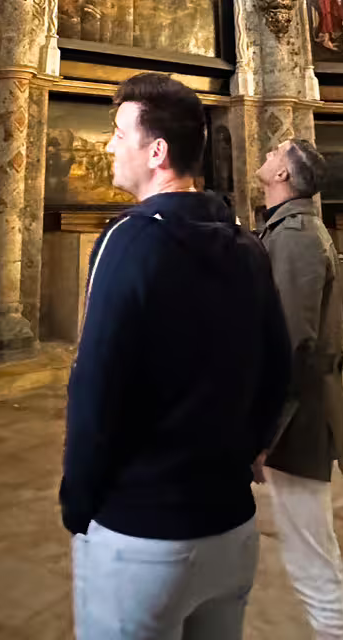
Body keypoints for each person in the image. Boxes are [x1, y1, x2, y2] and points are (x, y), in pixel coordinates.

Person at [62, 72, 292, 640]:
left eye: (119, 133)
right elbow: (279, 370)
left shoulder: (130, 240)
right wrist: (244, 455)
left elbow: (95, 386)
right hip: (232, 527)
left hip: (144, 533)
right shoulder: (245, 244)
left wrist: (79, 502)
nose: (110, 145)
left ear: (157, 151)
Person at [254, 139, 343, 640]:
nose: (269, 152)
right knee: (307, 544)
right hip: (294, 415)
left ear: (284, 178)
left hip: (299, 420)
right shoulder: (285, 226)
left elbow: (293, 340)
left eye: (277, 151)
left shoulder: (294, 234)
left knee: (310, 551)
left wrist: (263, 430)